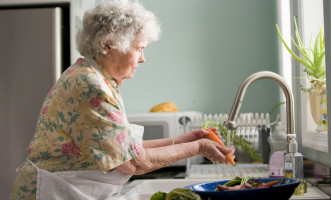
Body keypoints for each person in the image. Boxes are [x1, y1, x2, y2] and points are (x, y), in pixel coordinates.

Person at [10, 1, 235, 199]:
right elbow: (134, 162)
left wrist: (183, 141)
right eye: (139, 48)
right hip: (53, 193)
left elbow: (123, 150)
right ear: (109, 45)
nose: (143, 59)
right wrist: (198, 147)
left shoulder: (95, 78)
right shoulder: (90, 87)